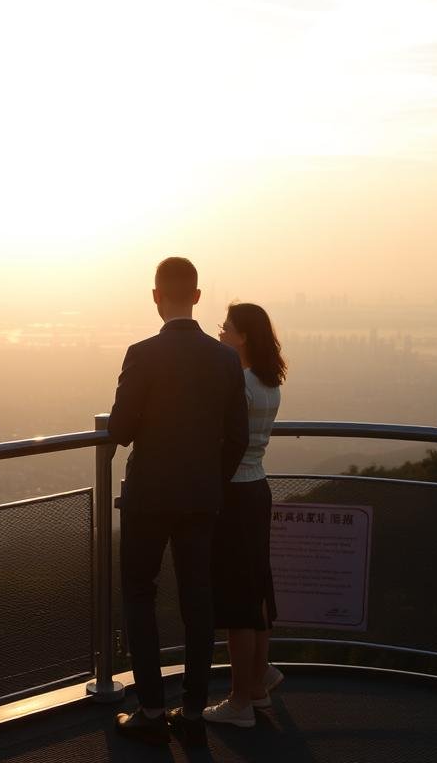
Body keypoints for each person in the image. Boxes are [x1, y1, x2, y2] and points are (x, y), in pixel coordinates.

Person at [108, 257, 249, 746]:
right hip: (201, 497)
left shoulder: (141, 354)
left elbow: (121, 430)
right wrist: (212, 478)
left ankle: (149, 706)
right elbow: (238, 437)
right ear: (196, 296)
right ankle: (191, 709)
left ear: (155, 296)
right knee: (198, 602)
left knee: (139, 593)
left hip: (148, 494)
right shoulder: (226, 360)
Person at [202, 302, 287, 728]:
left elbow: (223, 438)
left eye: (226, 329)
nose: (220, 334)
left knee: (237, 598)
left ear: (243, 337)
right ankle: (257, 680)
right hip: (258, 488)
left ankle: (239, 701)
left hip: (234, 493)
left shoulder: (240, 384)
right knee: (256, 589)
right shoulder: (269, 384)